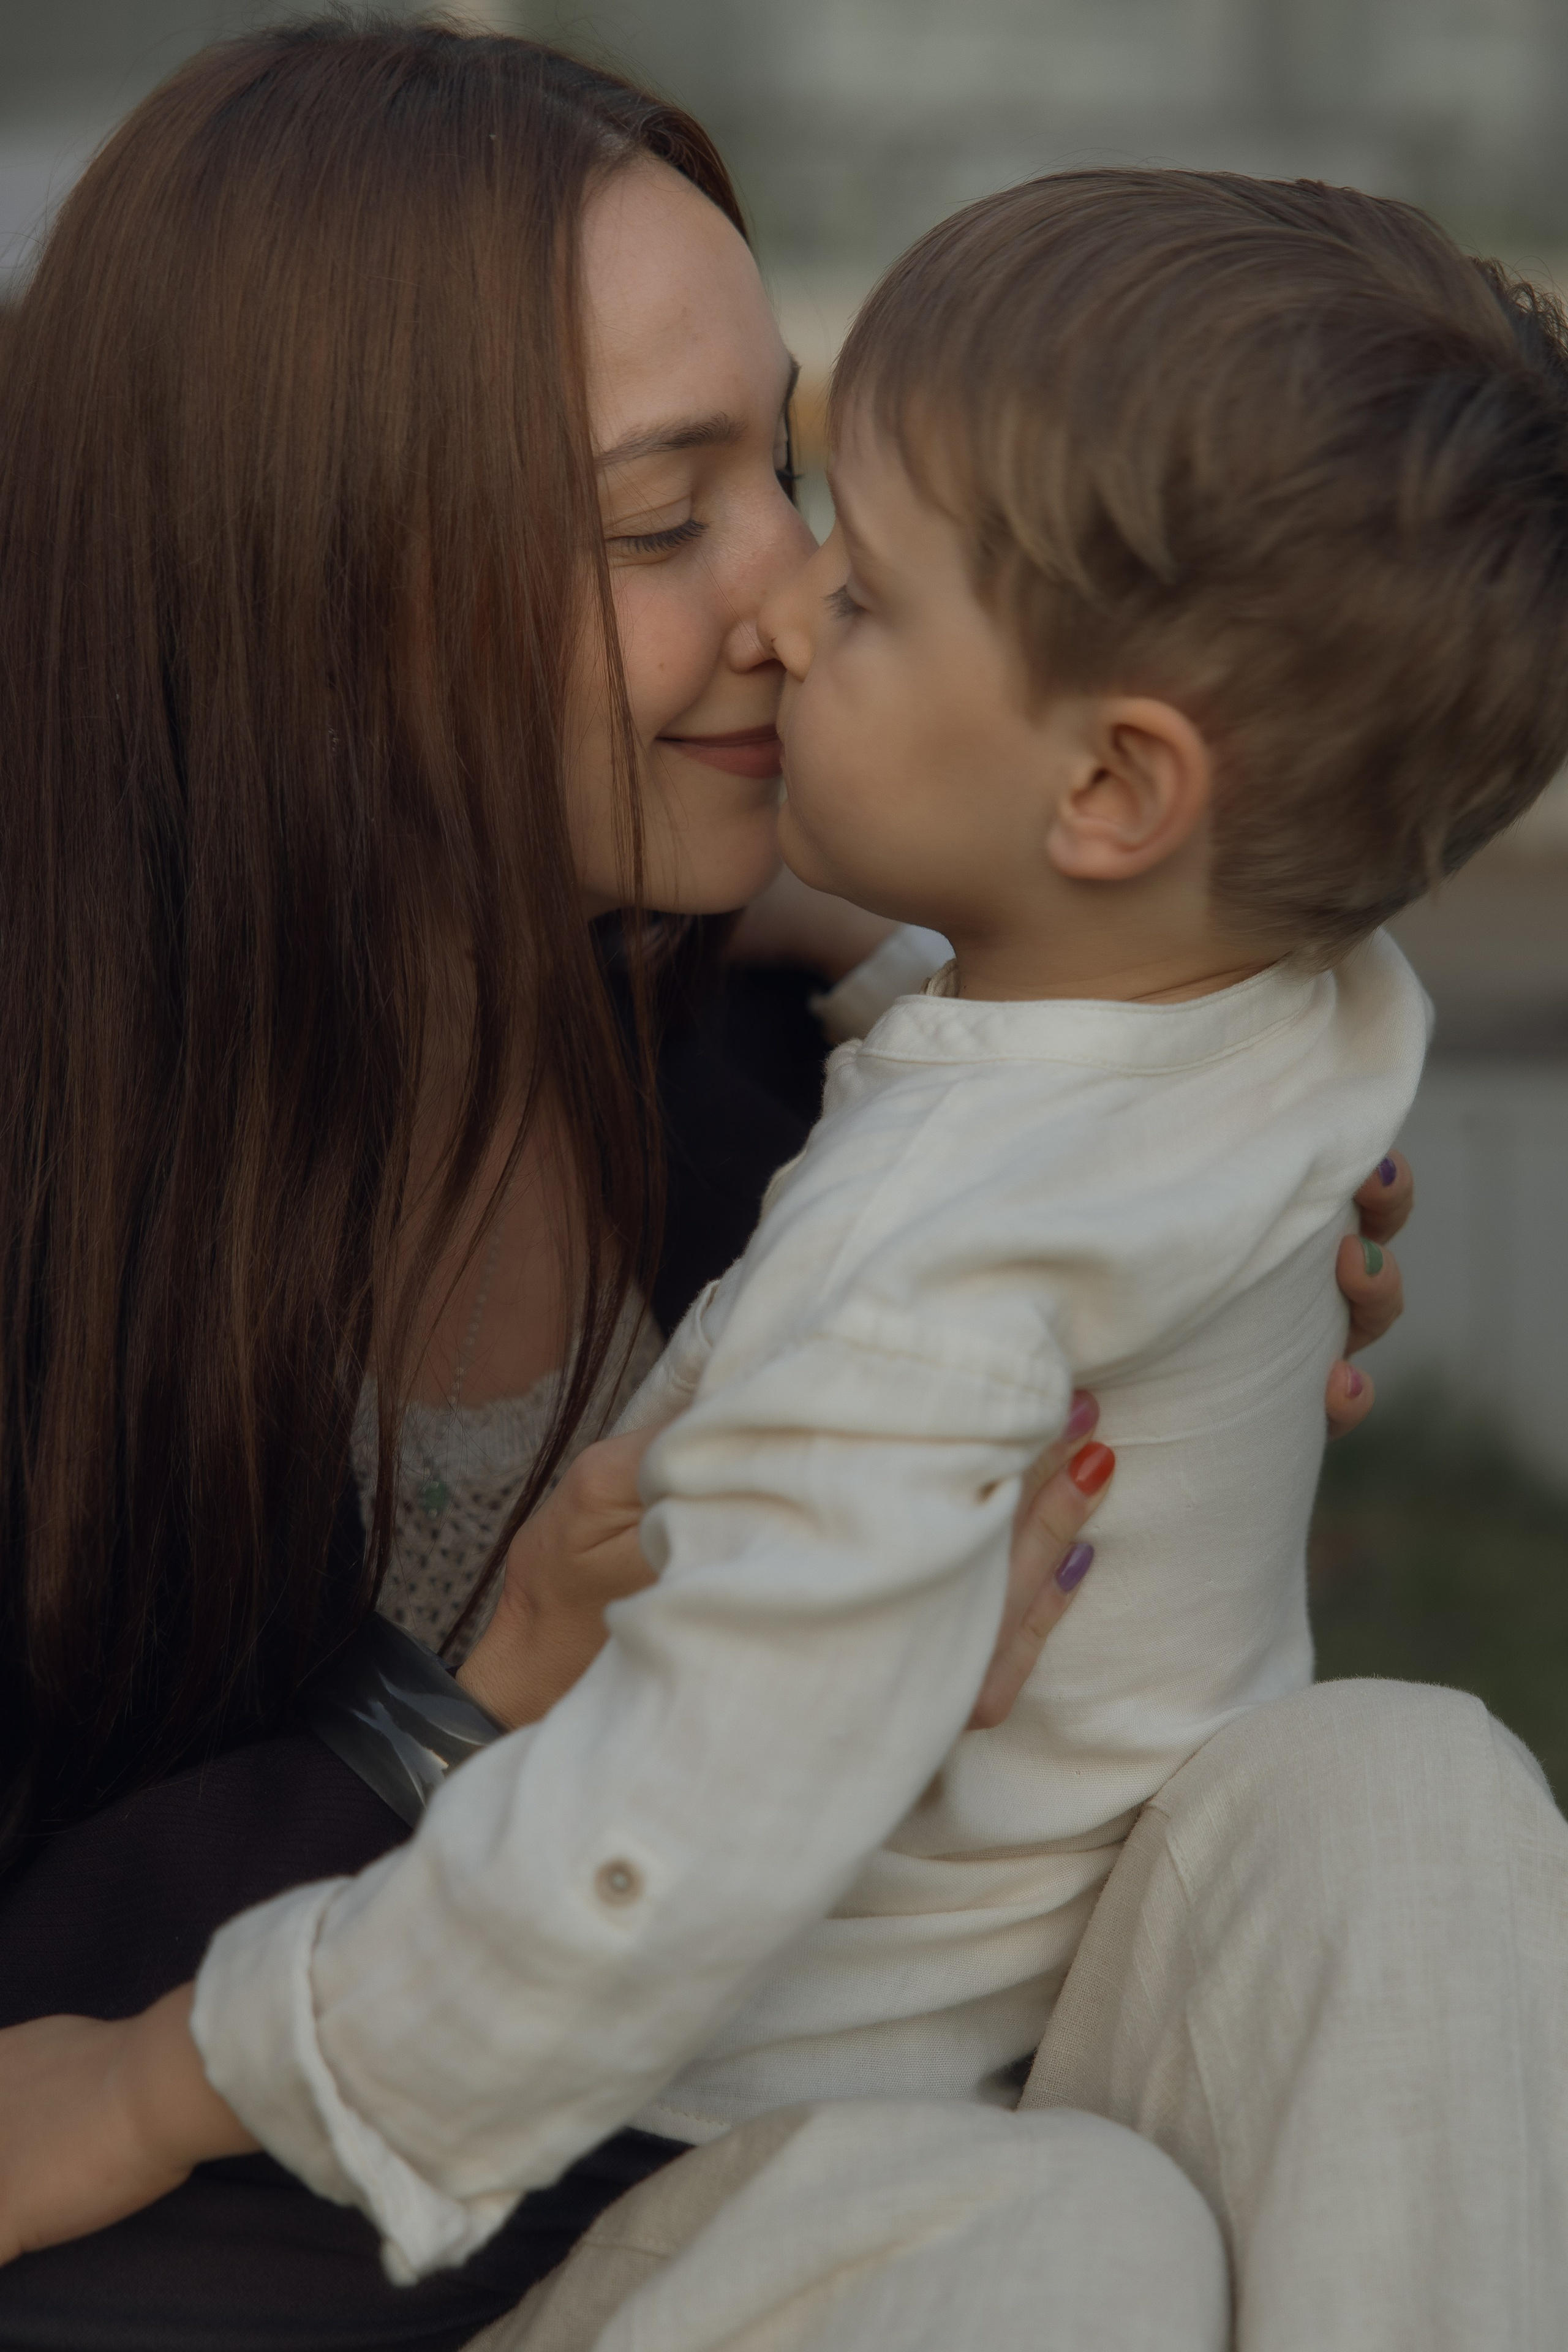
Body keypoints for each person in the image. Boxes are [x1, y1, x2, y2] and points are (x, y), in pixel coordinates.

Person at [0, 23, 1442, 2352]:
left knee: (1395, 1795)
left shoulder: (798, 1077)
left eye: (784, 466)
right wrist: (477, 1706)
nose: (790, 593)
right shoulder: (62, 1180)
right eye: (667, 521)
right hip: (302, 2266)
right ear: (288, 593)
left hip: (797, 2145)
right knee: (1051, 2247)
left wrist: (1161, 1144)